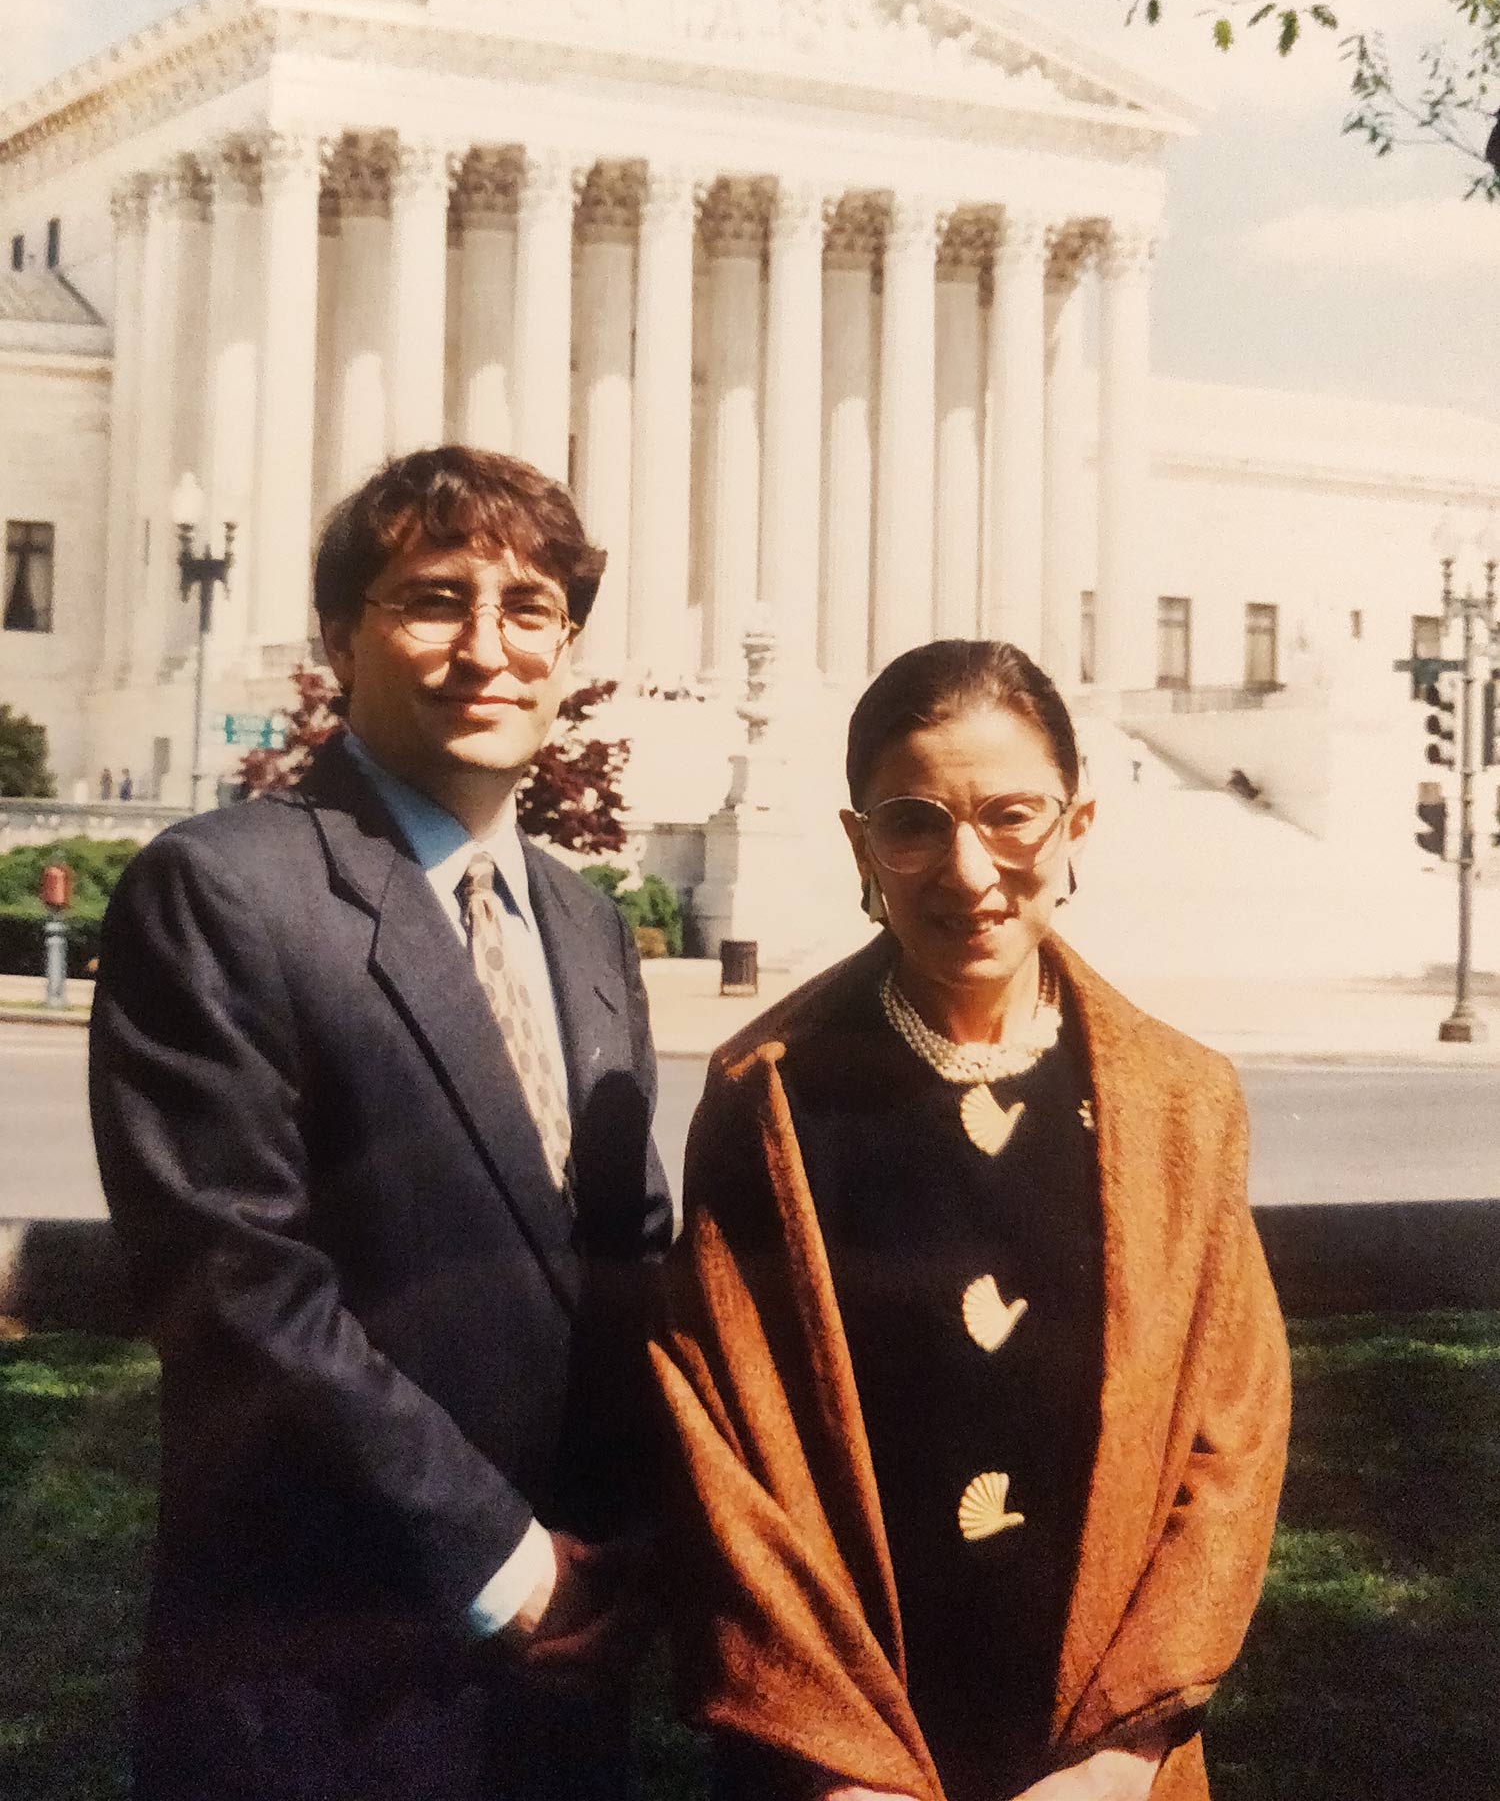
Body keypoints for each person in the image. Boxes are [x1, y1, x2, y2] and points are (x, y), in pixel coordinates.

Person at [91, 445, 672, 1801]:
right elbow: (240, 1290)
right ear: (340, 634)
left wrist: (641, 1543)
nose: (490, 647)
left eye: (531, 609)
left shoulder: (585, 924)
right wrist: (507, 1565)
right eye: (434, 599)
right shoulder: (226, 892)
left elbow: (627, 1267)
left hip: (567, 1669)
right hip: (321, 1684)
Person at [653, 640, 1290, 1801]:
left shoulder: (1182, 1102)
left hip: (1102, 1760)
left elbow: (1233, 1440)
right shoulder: (771, 1101)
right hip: (846, 1760)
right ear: (860, 846)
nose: (968, 870)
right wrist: (836, 1762)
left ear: (1077, 827)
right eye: (913, 823)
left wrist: (1123, 1751)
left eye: (1011, 816)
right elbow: (721, 1443)